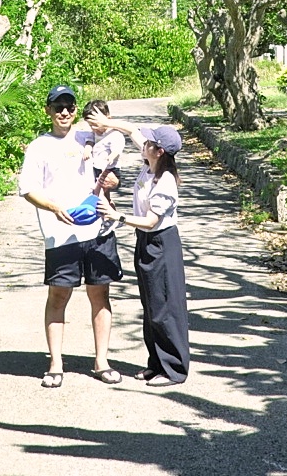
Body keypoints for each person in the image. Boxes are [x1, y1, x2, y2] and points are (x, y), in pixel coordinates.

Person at [17, 84, 124, 387]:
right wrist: (53, 207)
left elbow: (112, 167)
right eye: (58, 106)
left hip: (98, 229)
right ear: (48, 111)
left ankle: (101, 362)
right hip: (60, 235)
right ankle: (55, 364)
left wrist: (113, 181)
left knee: (100, 294)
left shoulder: (88, 136)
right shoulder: (39, 146)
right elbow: (27, 189)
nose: (64, 112)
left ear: (77, 110)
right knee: (59, 295)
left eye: (70, 106)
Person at [91, 115, 189, 387]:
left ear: (159, 151)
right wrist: (106, 121)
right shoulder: (151, 165)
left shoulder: (166, 181)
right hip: (145, 242)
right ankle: (155, 363)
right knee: (150, 306)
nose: (142, 143)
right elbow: (133, 130)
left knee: (165, 308)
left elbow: (151, 221)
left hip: (162, 243)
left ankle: (174, 370)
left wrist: (116, 215)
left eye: (149, 142)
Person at [83, 99, 125, 237]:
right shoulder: (95, 133)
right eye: (91, 125)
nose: (94, 129)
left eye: (96, 125)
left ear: (107, 118)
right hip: (98, 168)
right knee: (104, 196)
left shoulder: (114, 134)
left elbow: (118, 149)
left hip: (109, 169)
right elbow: (90, 140)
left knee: (101, 196)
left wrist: (111, 156)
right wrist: (88, 149)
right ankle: (112, 217)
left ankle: (109, 218)